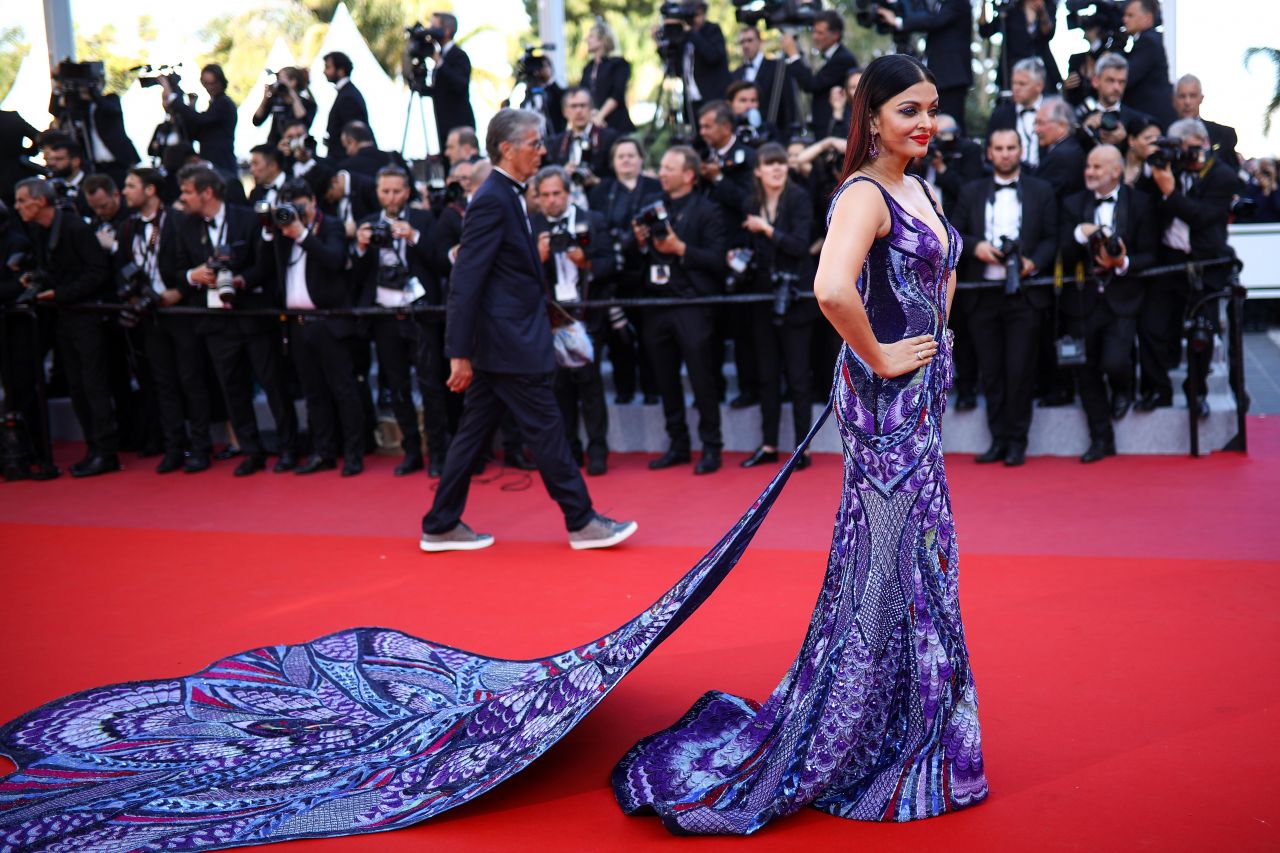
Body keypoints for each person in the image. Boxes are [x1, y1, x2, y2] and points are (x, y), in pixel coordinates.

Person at [0, 61, 986, 845]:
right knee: (882, 569)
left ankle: (907, 720)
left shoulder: (920, 188)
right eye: (907, 108)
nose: (924, 122)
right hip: (873, 411)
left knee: (912, 566)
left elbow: (927, 281)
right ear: (865, 114)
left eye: (931, 108)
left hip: (909, 408)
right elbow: (829, 289)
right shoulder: (861, 191)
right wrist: (881, 354)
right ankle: (861, 723)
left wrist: (930, 338)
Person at [419, 109, 636, 551]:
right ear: (506, 149)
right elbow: (465, 282)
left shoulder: (509, 195)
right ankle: (581, 521)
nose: (542, 151)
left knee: (473, 434)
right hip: (509, 344)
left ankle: (440, 522)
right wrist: (457, 352)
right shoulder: (492, 200)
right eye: (534, 144)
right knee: (549, 431)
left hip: (509, 340)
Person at [168, 165, 299, 476]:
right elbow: (175, 270)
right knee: (232, 389)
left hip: (252, 317)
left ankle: (288, 448)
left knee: (273, 386)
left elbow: (264, 266)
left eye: (187, 192)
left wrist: (240, 280)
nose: (182, 199)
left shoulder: (247, 218)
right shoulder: (185, 226)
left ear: (207, 192)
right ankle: (250, 451)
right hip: (215, 323)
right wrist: (193, 275)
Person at [951, 128, 1059, 467]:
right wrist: (977, 247)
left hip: (1024, 296)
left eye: (1011, 147)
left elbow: (1051, 237)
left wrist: (1034, 262)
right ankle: (997, 439)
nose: (1005, 153)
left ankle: (1017, 441)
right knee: (991, 372)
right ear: (989, 153)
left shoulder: (1041, 191)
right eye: (998, 148)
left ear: (1021, 150)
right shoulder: (971, 192)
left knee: (1019, 370)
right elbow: (952, 233)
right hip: (982, 296)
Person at [13, 177, 119, 477]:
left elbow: (98, 271)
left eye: (22, 200)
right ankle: (92, 448)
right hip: (63, 317)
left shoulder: (74, 227)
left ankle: (106, 451)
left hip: (86, 316)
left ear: (40, 201)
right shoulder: (38, 230)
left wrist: (61, 293)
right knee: (76, 386)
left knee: (93, 384)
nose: (18, 207)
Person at [1059, 144, 1157, 462]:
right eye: (1089, 166)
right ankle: (1102, 439)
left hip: (1123, 298)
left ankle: (1124, 389)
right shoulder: (1074, 204)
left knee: (1115, 361)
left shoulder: (1140, 203)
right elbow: (1062, 251)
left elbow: (1152, 254)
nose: (1090, 172)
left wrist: (1123, 263)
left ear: (1116, 171)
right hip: (1083, 301)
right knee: (1085, 372)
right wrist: (1078, 234)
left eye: (1098, 167)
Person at [353, 166, 451, 477]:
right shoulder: (368, 223)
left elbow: (440, 263)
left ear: (407, 192)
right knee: (396, 387)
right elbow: (354, 275)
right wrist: (361, 246)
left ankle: (437, 452)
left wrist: (414, 237)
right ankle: (411, 451)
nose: (391, 197)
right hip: (384, 316)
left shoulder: (423, 219)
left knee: (431, 385)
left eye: (397, 191)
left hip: (420, 314)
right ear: (378, 192)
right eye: (385, 191)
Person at [635, 145, 727, 475]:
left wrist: (680, 249)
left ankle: (712, 446)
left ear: (689, 175)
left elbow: (718, 261)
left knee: (702, 379)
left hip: (693, 306)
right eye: (660, 167)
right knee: (665, 380)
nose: (661, 173)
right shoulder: (651, 209)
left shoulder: (708, 210)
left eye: (668, 168)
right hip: (657, 305)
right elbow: (637, 261)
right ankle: (677, 444)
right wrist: (641, 243)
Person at [1140, 117, 1238, 417]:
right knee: (1152, 327)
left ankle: (1197, 394)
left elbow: (1204, 216)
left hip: (1205, 262)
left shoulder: (1221, 175)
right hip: (1169, 262)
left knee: (1202, 333)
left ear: (1204, 145)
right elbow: (1148, 209)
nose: (1185, 156)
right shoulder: (1168, 169)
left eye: (1190, 149)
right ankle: (1158, 390)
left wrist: (1171, 192)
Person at [733, 142, 817, 470]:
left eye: (781, 162)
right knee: (767, 375)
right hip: (764, 298)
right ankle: (768, 445)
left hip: (796, 296)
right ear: (758, 170)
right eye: (770, 163)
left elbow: (798, 245)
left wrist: (766, 229)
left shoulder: (798, 198)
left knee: (798, 376)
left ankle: (803, 449)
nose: (777, 168)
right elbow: (755, 250)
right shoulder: (750, 202)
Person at [530, 165, 615, 475]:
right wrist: (535, 259)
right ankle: (571, 452)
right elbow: (515, 277)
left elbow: (610, 264)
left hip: (586, 313)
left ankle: (599, 452)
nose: (551, 200)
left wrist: (585, 261)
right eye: (545, 195)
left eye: (557, 194)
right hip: (548, 316)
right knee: (559, 389)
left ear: (568, 193)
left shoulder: (592, 221)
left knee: (591, 387)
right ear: (537, 198)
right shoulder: (530, 227)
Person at [587, 137, 662, 405]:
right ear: (613, 163)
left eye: (631, 155)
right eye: (621, 156)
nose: (627, 160)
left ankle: (652, 388)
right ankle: (624, 387)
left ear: (641, 159)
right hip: (615, 275)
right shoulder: (601, 193)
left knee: (649, 334)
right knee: (618, 336)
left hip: (650, 271)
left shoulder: (656, 187)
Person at [875, 0, 973, 133]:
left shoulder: (958, 3)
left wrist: (898, 21)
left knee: (952, 126)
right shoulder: (940, 5)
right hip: (940, 78)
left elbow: (934, 21)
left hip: (952, 78)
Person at [781, 10, 858, 139]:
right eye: (814, 32)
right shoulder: (831, 56)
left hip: (836, 130)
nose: (815, 37)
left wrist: (793, 55)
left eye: (820, 33)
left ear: (835, 35)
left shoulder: (843, 59)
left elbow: (811, 84)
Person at [544, 86, 619, 199]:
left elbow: (621, 178)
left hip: (600, 202)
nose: (579, 111)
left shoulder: (609, 138)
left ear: (591, 109)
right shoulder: (556, 143)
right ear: (564, 112)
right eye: (573, 106)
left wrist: (596, 181)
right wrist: (561, 173)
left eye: (583, 105)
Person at [160, 65, 237, 173]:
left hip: (221, 163)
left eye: (213, 83)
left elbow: (201, 120)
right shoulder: (215, 103)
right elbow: (198, 130)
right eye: (206, 83)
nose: (210, 87)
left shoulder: (224, 103)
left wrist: (174, 100)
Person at [420, 13, 477, 153]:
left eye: (434, 27)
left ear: (447, 31)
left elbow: (460, 84)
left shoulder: (459, 56)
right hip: (443, 125)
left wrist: (440, 64)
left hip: (459, 126)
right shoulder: (441, 56)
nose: (431, 30)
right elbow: (438, 91)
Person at [666, 1, 731, 123]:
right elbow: (676, 69)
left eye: (698, 15)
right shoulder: (684, 37)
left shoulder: (712, 30)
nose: (695, 20)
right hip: (692, 100)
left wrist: (692, 33)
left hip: (713, 98)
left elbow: (713, 56)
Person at [980, 0, 1062, 93]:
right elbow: (985, 31)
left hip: (1042, 71)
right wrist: (983, 3)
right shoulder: (1010, 8)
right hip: (1013, 72)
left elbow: (1048, 34)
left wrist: (1042, 12)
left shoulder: (1048, 5)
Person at [731, 24, 796, 137]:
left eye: (750, 40)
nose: (746, 45)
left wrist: (787, 135)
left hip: (773, 134)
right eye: (742, 42)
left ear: (760, 42)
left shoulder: (778, 68)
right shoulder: (736, 74)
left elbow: (788, 104)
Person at [1121, 0, 1175, 130]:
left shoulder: (1148, 41)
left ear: (1148, 18)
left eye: (1130, 15)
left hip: (1152, 117)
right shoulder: (1150, 39)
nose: (1124, 20)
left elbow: (1127, 77)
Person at [988, 57, 1048, 168]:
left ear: (1039, 86)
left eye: (1022, 84)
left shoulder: (1052, 111)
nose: (1015, 88)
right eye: (1014, 83)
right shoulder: (1000, 115)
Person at [1172, 74, 1239, 170]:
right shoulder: (1162, 133)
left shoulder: (1224, 135)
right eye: (1182, 96)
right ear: (1174, 100)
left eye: (1193, 96)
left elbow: (1232, 178)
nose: (1187, 102)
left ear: (1201, 98)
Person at [581, 18, 634, 133]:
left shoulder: (618, 64)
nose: (587, 40)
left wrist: (601, 116)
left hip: (616, 123)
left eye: (591, 37)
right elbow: (583, 93)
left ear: (602, 40)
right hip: (593, 124)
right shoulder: (588, 68)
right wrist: (593, 114)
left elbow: (617, 93)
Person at [1032, 96, 1086, 200]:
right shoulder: (1068, 149)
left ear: (1062, 126)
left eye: (1041, 123)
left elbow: (1041, 195)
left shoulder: (1062, 156)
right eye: (1035, 123)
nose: (1036, 130)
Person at [252, 66, 317, 147]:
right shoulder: (275, 100)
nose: (277, 82)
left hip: (297, 147)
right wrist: (265, 99)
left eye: (280, 80)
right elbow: (256, 121)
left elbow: (303, 120)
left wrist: (292, 94)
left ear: (293, 82)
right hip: (275, 147)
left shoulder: (308, 103)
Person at [322, 51, 371, 156]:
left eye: (328, 67)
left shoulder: (348, 96)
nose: (324, 72)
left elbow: (353, 133)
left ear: (341, 70)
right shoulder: (347, 93)